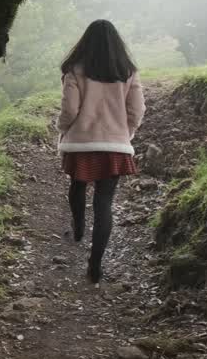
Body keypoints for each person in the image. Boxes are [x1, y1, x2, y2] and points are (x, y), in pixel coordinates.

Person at [56, 19, 145, 284]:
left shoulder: (75, 70)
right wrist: (125, 133)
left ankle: (79, 228)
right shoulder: (128, 71)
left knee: (77, 186)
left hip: (81, 143)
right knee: (104, 203)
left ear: (86, 42)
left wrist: (61, 129)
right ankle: (95, 266)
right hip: (114, 147)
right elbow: (137, 111)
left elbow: (69, 110)